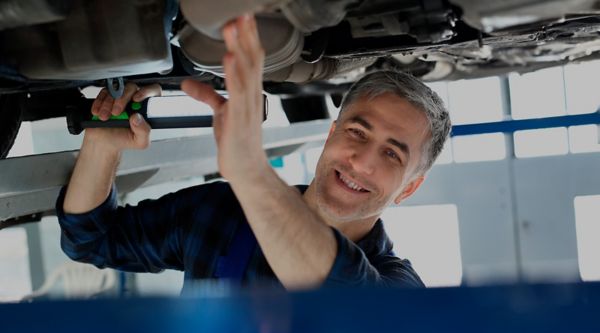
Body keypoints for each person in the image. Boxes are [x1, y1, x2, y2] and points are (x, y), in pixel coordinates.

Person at [56, 14, 451, 290]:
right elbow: (91, 240)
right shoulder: (221, 213)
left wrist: (250, 172)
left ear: (408, 189)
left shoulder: (397, 287)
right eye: (357, 132)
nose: (362, 161)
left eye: (392, 155)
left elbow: (346, 296)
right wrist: (101, 144)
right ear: (331, 134)